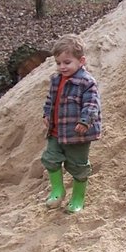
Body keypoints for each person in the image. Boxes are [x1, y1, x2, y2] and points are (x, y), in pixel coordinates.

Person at [41, 34, 102, 213]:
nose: (62, 67)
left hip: (77, 134)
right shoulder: (56, 80)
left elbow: (92, 105)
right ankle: (57, 191)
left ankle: (77, 198)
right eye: (58, 63)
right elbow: (50, 100)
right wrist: (46, 114)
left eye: (67, 62)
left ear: (81, 61)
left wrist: (85, 121)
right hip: (56, 131)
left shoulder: (87, 82)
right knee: (50, 159)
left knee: (78, 166)